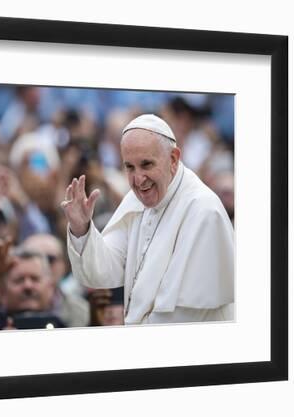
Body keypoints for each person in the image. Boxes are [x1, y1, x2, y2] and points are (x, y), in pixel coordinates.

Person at [61, 114, 234, 325]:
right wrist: (82, 229)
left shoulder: (203, 210)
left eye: (146, 165)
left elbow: (185, 316)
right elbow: (103, 272)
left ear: (173, 159)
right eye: (130, 167)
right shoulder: (136, 201)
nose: (138, 179)